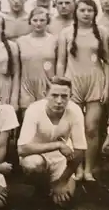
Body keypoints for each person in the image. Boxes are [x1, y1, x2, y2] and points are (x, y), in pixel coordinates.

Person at [56, 0, 109, 181]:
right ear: (76, 12)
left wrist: (106, 87)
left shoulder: (101, 32)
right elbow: (61, 61)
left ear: (95, 13)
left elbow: (108, 62)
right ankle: (76, 168)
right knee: (74, 128)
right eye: (83, 10)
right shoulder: (66, 32)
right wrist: (60, 87)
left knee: (92, 128)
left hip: (95, 81)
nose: (86, 13)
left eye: (90, 10)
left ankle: (89, 169)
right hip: (73, 83)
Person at [17, 76, 86, 207]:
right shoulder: (34, 109)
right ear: (45, 95)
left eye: (64, 96)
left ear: (71, 96)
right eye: (54, 95)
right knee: (32, 165)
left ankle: (54, 185)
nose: (59, 101)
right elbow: (22, 149)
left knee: (64, 201)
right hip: (37, 155)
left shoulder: (75, 111)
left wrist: (61, 182)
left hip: (61, 158)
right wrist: (58, 144)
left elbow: (80, 150)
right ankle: (41, 189)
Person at [16, 8, 57, 118]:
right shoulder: (20, 41)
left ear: (47, 22)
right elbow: (16, 69)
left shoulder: (55, 40)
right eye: (35, 20)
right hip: (26, 86)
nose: (38, 23)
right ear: (30, 21)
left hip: (47, 86)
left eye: (42, 20)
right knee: (28, 122)